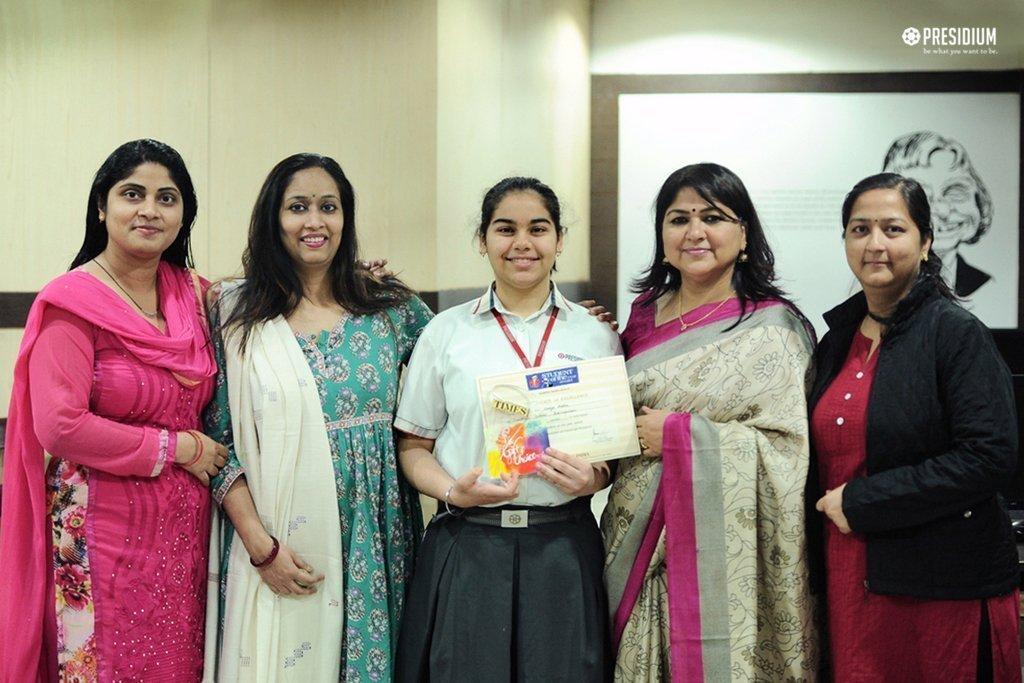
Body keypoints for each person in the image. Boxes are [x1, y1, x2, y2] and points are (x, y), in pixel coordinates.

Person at [0, 139, 225, 681]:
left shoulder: (198, 297)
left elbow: (276, 313)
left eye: (167, 198)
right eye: (132, 194)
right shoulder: (72, 303)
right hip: (99, 530)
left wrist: (346, 277)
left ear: (183, 216)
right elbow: (61, 425)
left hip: (185, 534)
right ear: (102, 206)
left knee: (180, 663)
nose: (149, 209)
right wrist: (180, 447)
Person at [203, 153, 432, 681]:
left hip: (381, 539)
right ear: (272, 220)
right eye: (297, 207)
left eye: (328, 207)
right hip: (283, 540)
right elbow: (220, 444)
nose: (314, 222)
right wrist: (263, 549)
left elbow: (463, 371)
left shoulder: (390, 306)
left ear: (345, 218)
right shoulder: (235, 318)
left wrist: (563, 332)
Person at [393, 177, 620, 682]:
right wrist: (454, 491)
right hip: (468, 544)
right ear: (483, 240)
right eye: (505, 229)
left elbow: (613, 452)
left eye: (538, 229)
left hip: (563, 546)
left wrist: (595, 480)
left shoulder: (596, 334)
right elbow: (413, 445)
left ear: (559, 240)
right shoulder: (445, 332)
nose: (522, 243)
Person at [602, 162, 818, 681]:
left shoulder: (775, 328)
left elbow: (788, 450)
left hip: (727, 557)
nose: (695, 232)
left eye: (713, 217)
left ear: (744, 234)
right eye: (678, 219)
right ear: (662, 235)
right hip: (635, 532)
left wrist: (678, 436)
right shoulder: (641, 315)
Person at [810, 172, 1019, 681]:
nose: (875, 244)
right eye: (859, 230)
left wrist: (863, 502)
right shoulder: (834, 340)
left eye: (893, 229)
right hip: (845, 574)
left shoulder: (954, 333)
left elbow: (988, 457)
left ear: (926, 242)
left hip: (937, 585)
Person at [882, 131, 994, 296]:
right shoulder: (877, 284)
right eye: (923, 196)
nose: (943, 210)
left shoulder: (987, 287)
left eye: (956, 192)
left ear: (978, 200)